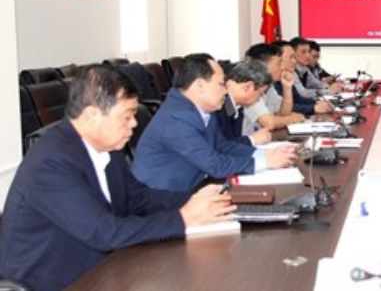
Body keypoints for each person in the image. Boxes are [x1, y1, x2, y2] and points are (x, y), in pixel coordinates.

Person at [0, 65, 235, 291]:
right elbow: (103, 233)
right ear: (92, 116)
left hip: (102, 267)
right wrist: (182, 219)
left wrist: (194, 200)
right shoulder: (51, 162)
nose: (134, 123)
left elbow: (139, 198)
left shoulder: (106, 147)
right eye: (127, 116)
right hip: (56, 282)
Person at [132, 53, 298, 192]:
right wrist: (265, 162)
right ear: (200, 85)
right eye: (220, 84)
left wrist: (264, 154)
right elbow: (215, 165)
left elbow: (222, 146)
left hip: (195, 186)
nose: (225, 91)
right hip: (166, 199)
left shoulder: (203, 109)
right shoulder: (177, 118)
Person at [243, 43, 306, 130]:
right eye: (279, 63)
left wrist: (287, 87)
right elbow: (269, 123)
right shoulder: (250, 87)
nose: (283, 67)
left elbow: (283, 114)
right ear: (263, 65)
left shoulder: (269, 86)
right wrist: (292, 119)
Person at [214, 58, 273, 145]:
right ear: (248, 87)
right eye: (260, 94)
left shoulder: (237, 107)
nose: (259, 99)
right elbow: (220, 146)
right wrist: (252, 139)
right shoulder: (217, 104)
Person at [272, 40, 333, 116]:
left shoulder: (287, 75)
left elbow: (297, 98)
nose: (294, 61)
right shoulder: (269, 83)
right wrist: (313, 108)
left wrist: (315, 103)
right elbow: (280, 109)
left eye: (309, 52)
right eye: (291, 57)